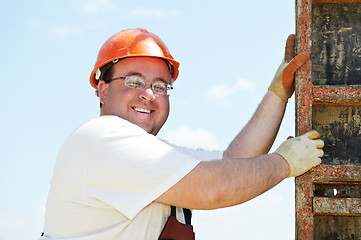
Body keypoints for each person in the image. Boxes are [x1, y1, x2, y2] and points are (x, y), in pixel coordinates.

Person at [40, 28, 324, 239]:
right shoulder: (101, 139)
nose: (149, 95)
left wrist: (278, 93)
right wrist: (284, 163)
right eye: (134, 82)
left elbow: (235, 160)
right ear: (103, 89)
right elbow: (213, 189)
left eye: (160, 86)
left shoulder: (147, 154)